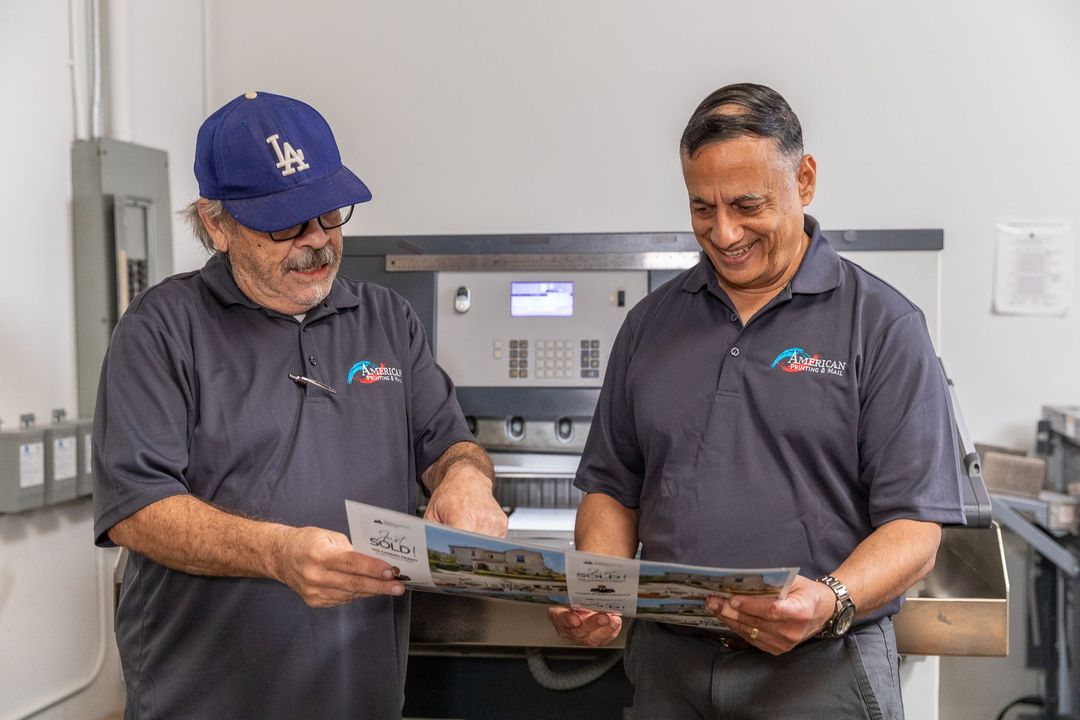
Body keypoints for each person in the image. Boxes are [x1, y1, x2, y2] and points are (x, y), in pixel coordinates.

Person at [548, 83, 965, 718]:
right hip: (669, 666)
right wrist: (598, 588)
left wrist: (827, 601)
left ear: (805, 178)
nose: (724, 232)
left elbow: (915, 527)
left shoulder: (881, 325)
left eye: (747, 205)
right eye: (702, 208)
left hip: (820, 671)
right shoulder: (651, 325)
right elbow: (611, 488)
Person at [92, 91, 507, 719]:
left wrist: (467, 479)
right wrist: (277, 554)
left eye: (329, 214)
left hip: (358, 696)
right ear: (217, 224)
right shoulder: (161, 329)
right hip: (206, 698)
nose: (316, 242)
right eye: (285, 224)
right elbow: (137, 510)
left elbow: (449, 443)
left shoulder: (386, 319)